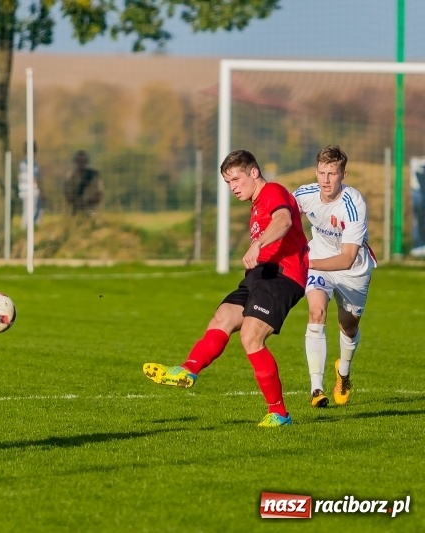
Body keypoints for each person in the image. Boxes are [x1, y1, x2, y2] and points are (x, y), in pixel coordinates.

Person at [143, 149, 309, 427]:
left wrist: (258, 244)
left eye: (236, 179)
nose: (232, 187)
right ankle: (188, 369)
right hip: (260, 275)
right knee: (223, 317)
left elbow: (284, 220)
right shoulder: (256, 204)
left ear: (253, 172)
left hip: (282, 275)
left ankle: (279, 414)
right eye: (228, 182)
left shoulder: (273, 191)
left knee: (251, 336)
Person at [293, 145, 376, 408]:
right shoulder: (304, 195)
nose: (326, 180)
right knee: (316, 311)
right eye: (321, 173)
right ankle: (316, 388)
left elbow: (347, 258)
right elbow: (282, 216)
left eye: (332, 173)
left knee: (348, 327)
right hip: (318, 261)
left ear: (343, 175)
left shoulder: (353, 204)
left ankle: (343, 373)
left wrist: (305, 262)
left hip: (352, 271)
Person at [63, 150, 103, 215]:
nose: (81, 163)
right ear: (75, 162)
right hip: (75, 211)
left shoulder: (93, 176)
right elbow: (67, 195)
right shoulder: (70, 177)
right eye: (79, 161)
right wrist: (76, 202)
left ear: (87, 162)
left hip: (91, 210)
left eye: (83, 161)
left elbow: (99, 194)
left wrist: (87, 201)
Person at [18, 141, 42, 228]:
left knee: (28, 210)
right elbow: (34, 177)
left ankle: (28, 227)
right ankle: (27, 228)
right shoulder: (29, 162)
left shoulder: (24, 162)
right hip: (31, 190)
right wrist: (39, 189)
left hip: (25, 190)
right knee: (31, 211)